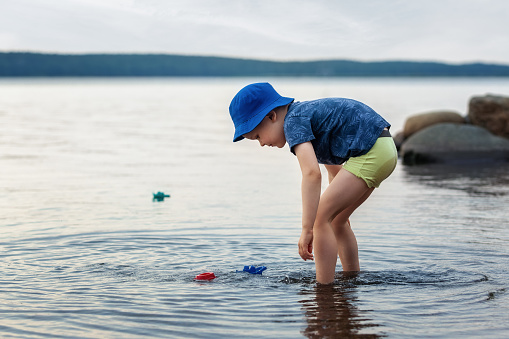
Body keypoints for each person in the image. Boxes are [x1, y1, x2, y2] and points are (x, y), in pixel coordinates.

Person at [229, 82, 397, 284]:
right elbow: (333, 169)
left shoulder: (293, 122)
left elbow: (311, 174)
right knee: (336, 220)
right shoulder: (306, 115)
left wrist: (308, 228)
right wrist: (333, 209)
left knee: (320, 220)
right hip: (383, 147)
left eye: (257, 136)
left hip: (371, 152)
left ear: (272, 116)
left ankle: (324, 289)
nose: (262, 144)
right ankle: (351, 280)